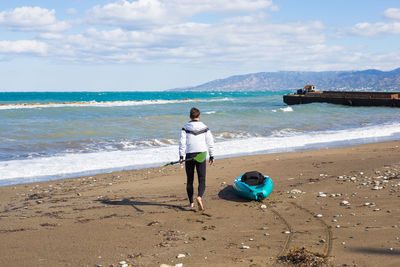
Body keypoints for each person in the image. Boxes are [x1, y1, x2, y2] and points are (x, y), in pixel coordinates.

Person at [179, 107, 214, 211]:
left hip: (189, 155)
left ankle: (191, 203)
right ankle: (199, 197)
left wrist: (181, 156)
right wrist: (212, 155)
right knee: (201, 179)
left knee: (190, 180)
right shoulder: (205, 127)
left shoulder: (185, 127)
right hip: (201, 155)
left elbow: (182, 143)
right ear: (199, 116)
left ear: (190, 116)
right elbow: (210, 142)